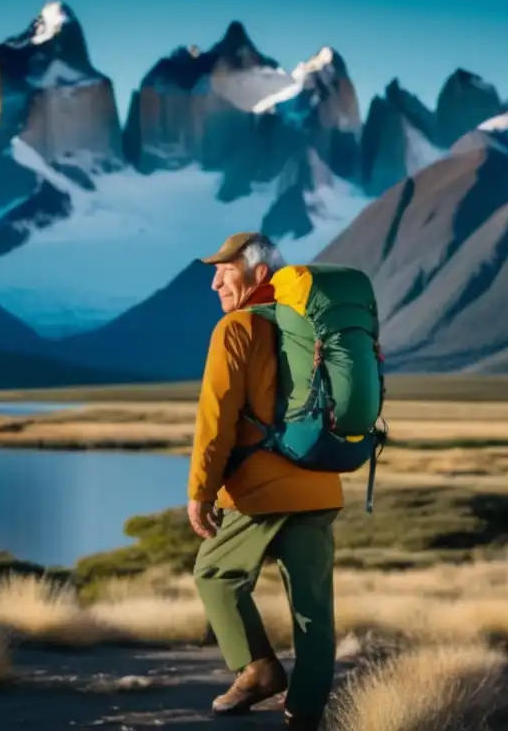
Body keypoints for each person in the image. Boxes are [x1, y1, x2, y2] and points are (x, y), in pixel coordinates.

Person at [188, 231, 343, 730]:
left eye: (225, 271)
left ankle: (257, 669)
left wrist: (201, 492)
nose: (215, 283)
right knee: (313, 607)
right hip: (320, 481)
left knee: (215, 574)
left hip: (261, 489)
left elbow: (216, 418)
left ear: (259, 275)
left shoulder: (237, 329)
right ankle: (306, 710)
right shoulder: (314, 324)